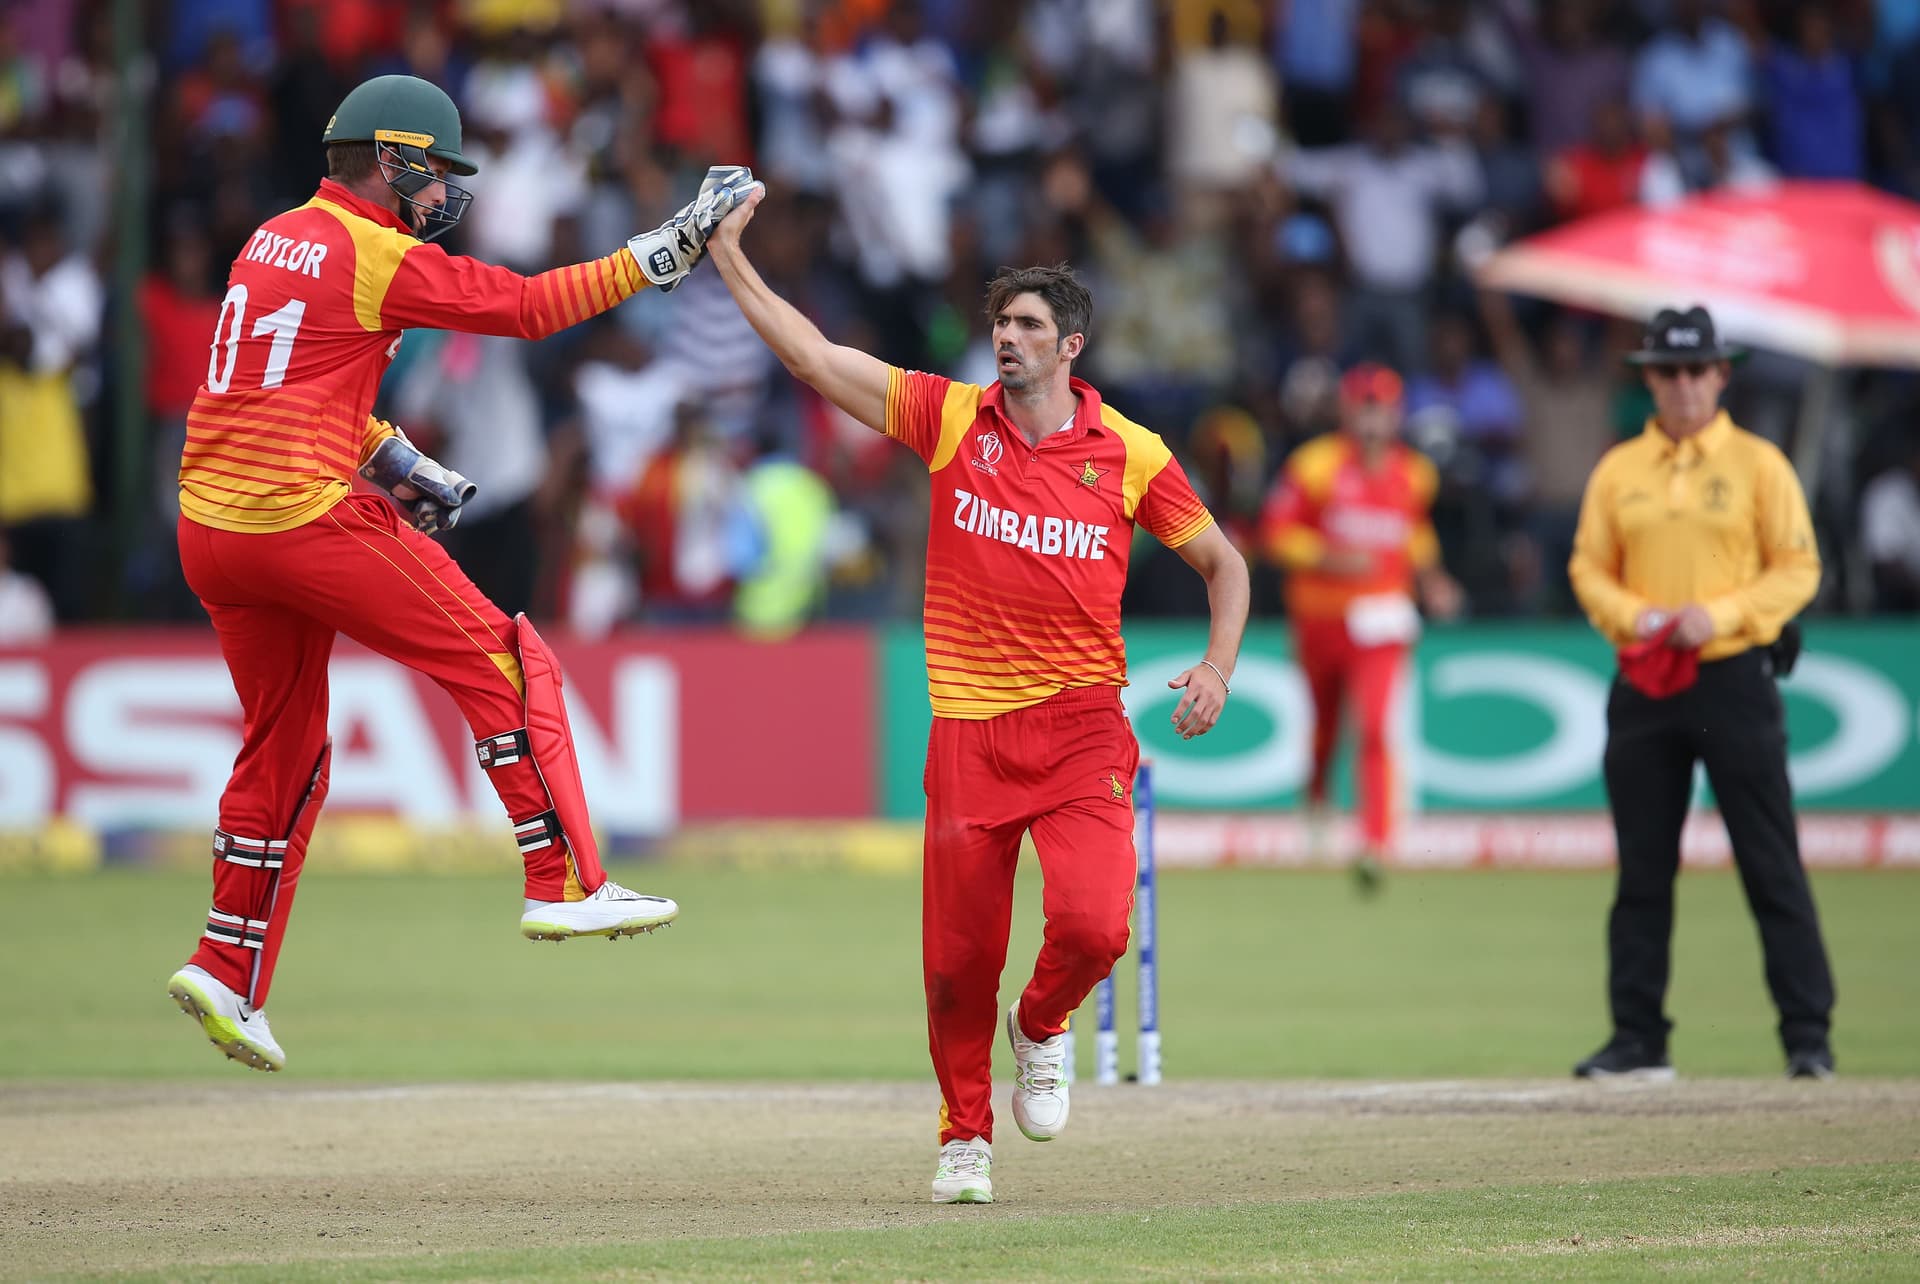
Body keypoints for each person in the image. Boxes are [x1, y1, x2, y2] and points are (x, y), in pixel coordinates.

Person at [163, 73, 760, 1074]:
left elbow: (286, 380)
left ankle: (226, 965)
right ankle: (564, 880)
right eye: (432, 171)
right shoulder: (371, 251)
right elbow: (526, 308)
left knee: (287, 747)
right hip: (299, 513)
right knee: (509, 661)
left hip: (209, 528)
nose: (440, 192)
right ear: (391, 159)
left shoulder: (273, 237)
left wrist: (393, 455)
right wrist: (670, 248)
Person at [705, 189, 1250, 1206]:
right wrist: (728, 255)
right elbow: (814, 359)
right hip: (970, 730)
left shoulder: (1128, 453)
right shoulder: (953, 419)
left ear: (1070, 346)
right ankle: (965, 1136)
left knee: (1096, 929)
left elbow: (1225, 564)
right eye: (1000, 325)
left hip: (1085, 724)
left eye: (1029, 326)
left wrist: (1217, 666)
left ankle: (1040, 1027)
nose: (1007, 339)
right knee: (958, 963)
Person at [1568, 306, 1835, 1081]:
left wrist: (1715, 615)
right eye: (1668, 372)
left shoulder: (1759, 465)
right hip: (1647, 678)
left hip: (1732, 677)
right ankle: (1638, 1038)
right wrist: (1641, 618)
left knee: (1768, 858)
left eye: (1696, 371)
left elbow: (1798, 568)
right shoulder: (1620, 469)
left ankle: (1807, 1037)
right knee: (1642, 869)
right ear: (1648, 378)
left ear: (1721, 374)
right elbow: (1589, 568)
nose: (1682, 387)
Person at [1259, 363, 1462, 894]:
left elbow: (1413, 532)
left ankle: (1375, 841)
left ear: (1397, 415)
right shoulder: (1315, 466)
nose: (1373, 421)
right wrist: (1330, 558)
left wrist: (1433, 579)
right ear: (1347, 411)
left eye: (1383, 410)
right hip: (1320, 618)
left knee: (1373, 725)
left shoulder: (1416, 473)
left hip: (1382, 619)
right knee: (1326, 724)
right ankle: (1318, 801)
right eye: (1363, 408)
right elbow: (1275, 534)